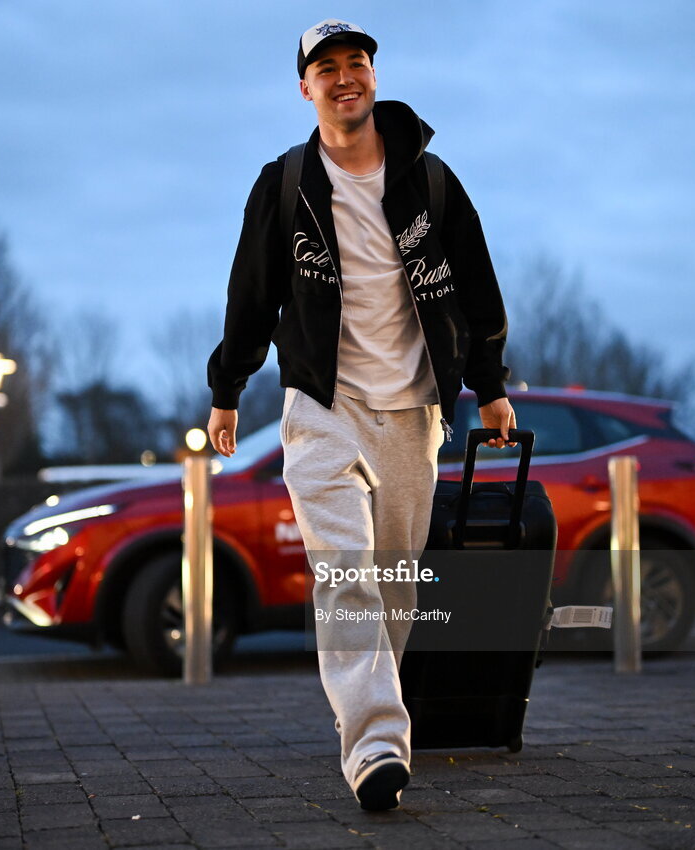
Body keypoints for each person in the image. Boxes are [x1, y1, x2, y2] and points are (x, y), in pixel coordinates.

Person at [207, 18, 515, 811]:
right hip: (322, 406)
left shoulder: (432, 180)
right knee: (346, 579)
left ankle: (375, 716)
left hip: (413, 411)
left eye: (357, 63)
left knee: (394, 587)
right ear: (304, 86)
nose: (345, 78)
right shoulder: (285, 184)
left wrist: (493, 384)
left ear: (373, 75)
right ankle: (376, 744)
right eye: (327, 68)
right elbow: (252, 293)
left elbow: (478, 289)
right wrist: (228, 387)